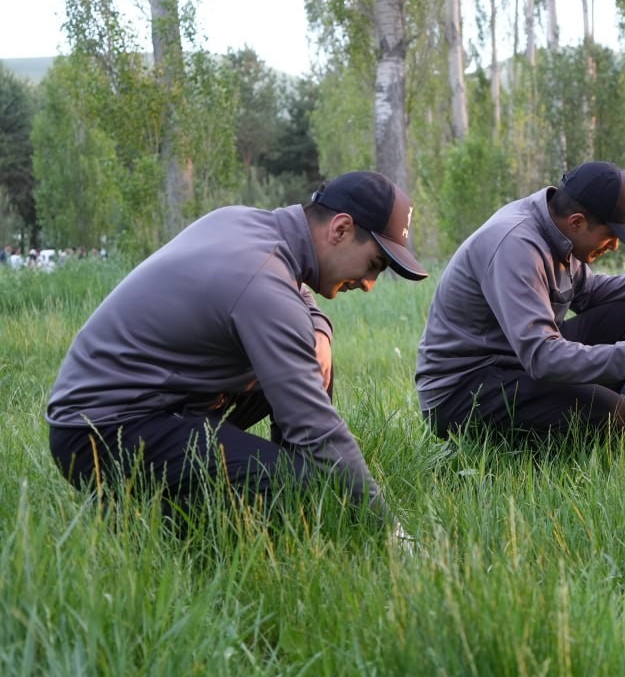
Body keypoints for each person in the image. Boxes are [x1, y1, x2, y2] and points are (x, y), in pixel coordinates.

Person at [47, 171, 428, 536]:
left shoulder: (246, 225)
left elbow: (293, 292)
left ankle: (290, 481)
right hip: (100, 435)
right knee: (306, 490)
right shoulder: (262, 283)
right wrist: (388, 532)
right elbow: (316, 428)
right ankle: (146, 523)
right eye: (374, 265)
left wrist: (319, 328)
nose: (369, 285)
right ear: (341, 229)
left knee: (307, 368)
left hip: (138, 408)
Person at [416, 160, 625, 439]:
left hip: (514, 361)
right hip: (464, 393)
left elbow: (589, 292)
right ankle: (595, 428)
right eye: (611, 235)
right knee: (608, 413)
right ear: (577, 222)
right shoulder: (516, 247)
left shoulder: (554, 229)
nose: (615, 246)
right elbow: (543, 357)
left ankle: (621, 417)